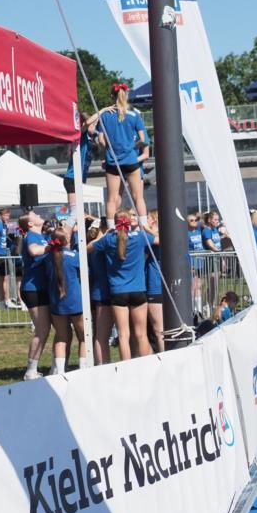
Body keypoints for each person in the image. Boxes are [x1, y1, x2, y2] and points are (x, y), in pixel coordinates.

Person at [87, 210, 151, 361]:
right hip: (138, 290)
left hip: (118, 292)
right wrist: (145, 226)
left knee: (123, 335)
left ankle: (125, 369)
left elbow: (88, 247)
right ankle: (145, 366)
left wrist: (106, 233)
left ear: (114, 221)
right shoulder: (140, 237)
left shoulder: (108, 239)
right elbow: (160, 239)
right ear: (130, 221)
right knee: (141, 334)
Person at [97, 83, 149, 228]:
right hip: (131, 160)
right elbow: (143, 140)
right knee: (138, 197)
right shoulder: (135, 114)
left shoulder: (106, 115)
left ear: (111, 96)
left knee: (112, 198)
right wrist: (131, 148)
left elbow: (101, 140)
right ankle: (144, 227)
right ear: (126, 95)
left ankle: (111, 228)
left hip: (113, 161)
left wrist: (108, 148)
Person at [45, 226, 86, 375]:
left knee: (61, 337)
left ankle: (60, 371)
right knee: (84, 337)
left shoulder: (47, 257)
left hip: (57, 302)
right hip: (75, 301)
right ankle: (83, 370)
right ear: (67, 239)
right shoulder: (75, 256)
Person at [17, 211, 52, 378]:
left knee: (45, 329)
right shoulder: (31, 236)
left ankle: (38, 367)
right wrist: (52, 246)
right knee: (42, 330)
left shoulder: (42, 235)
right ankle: (30, 370)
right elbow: (33, 251)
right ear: (30, 224)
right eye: (34, 215)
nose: (39, 214)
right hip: (33, 289)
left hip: (42, 287)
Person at [85, 222, 113, 365]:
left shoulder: (94, 245)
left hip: (97, 291)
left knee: (100, 333)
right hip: (103, 293)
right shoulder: (100, 246)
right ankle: (102, 364)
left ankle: (102, 363)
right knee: (102, 335)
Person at [64, 111, 102, 204]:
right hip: (72, 178)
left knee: (79, 210)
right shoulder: (81, 136)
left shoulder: (90, 139)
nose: (94, 127)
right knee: (75, 210)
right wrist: (102, 111)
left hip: (80, 178)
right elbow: (87, 123)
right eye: (93, 125)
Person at [0, 207, 21, 309]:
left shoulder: (4, 225)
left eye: (8, 215)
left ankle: (6, 300)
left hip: (3, 254)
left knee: (5, 278)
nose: (7, 217)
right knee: (1, 279)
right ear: (0, 216)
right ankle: (3, 301)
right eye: (5, 215)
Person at [143, 209, 163, 353]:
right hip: (152, 285)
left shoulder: (155, 236)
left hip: (156, 286)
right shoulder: (148, 237)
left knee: (158, 329)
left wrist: (146, 228)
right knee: (152, 330)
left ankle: (165, 358)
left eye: (147, 218)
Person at [201, 211, 222, 317]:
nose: (217, 221)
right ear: (209, 220)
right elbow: (211, 245)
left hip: (216, 259)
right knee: (211, 284)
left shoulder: (215, 230)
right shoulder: (206, 230)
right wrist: (220, 253)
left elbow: (218, 242)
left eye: (218, 219)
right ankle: (207, 306)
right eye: (215, 219)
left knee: (215, 285)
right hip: (210, 259)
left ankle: (211, 304)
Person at [186, 214, 205, 317]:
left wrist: (199, 218)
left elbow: (203, 220)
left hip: (201, 263)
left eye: (195, 220)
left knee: (198, 287)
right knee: (192, 287)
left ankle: (199, 309)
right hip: (192, 263)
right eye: (191, 220)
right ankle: (192, 309)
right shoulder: (186, 234)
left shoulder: (199, 231)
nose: (194, 222)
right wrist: (190, 265)